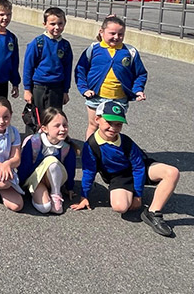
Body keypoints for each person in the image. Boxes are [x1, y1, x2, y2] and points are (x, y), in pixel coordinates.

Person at [71, 101, 179, 237]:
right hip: (118, 177)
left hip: (140, 168)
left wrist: (138, 195)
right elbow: (89, 171)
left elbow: (139, 167)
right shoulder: (91, 145)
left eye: (118, 124)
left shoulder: (126, 141)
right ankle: (126, 190)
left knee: (172, 172)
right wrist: (84, 196)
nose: (113, 128)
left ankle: (152, 212)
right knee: (120, 207)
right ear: (97, 119)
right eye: (109, 122)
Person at [74, 15, 147, 140]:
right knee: (94, 125)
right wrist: (84, 89)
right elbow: (80, 71)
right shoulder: (93, 49)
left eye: (120, 34)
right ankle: (90, 154)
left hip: (119, 99)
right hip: (96, 97)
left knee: (112, 130)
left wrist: (138, 89)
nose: (116, 37)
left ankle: (109, 154)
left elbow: (140, 73)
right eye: (112, 33)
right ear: (101, 32)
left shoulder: (130, 52)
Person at [18, 107, 76, 214]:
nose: (62, 129)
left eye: (65, 125)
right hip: (35, 179)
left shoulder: (67, 147)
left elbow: (70, 169)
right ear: (45, 129)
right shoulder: (34, 142)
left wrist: (69, 187)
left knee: (52, 162)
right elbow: (24, 165)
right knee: (45, 207)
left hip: (55, 179)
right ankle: (39, 192)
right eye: (57, 126)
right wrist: (20, 185)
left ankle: (56, 193)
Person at [22, 7, 73, 120]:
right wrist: (27, 90)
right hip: (39, 87)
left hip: (57, 89)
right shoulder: (38, 43)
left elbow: (67, 69)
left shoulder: (65, 46)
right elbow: (28, 67)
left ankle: (52, 138)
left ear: (65, 23)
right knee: (36, 119)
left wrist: (65, 91)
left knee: (53, 119)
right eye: (52, 24)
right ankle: (34, 138)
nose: (57, 27)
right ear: (45, 24)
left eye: (60, 23)